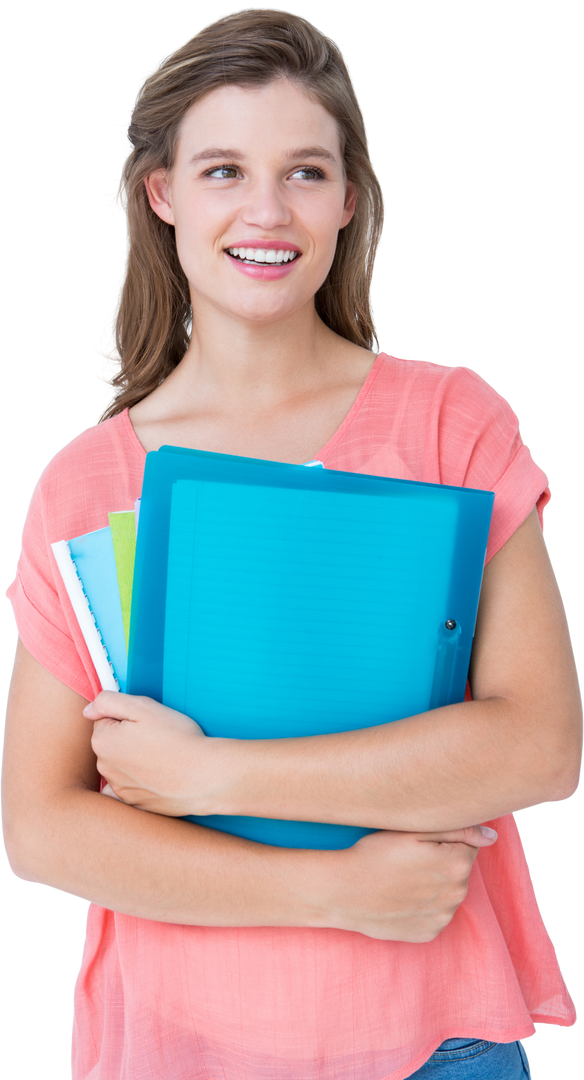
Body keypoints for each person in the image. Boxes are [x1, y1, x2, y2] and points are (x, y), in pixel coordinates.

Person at [2, 7, 581, 1079]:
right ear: (162, 194)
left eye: (304, 173)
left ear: (347, 198)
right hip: (176, 1047)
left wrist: (207, 773)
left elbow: (537, 749)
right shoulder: (87, 482)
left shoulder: (451, 422)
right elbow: (41, 829)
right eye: (223, 169)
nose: (267, 210)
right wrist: (332, 890)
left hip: (436, 1038)